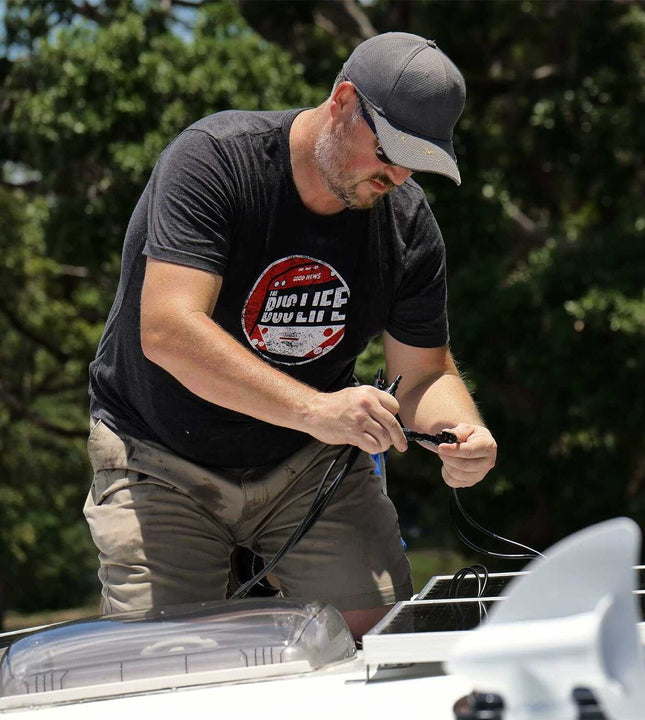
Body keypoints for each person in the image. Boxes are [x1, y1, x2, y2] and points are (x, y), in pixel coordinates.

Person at [84, 31, 497, 639]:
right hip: (161, 458)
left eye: (418, 160)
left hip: (308, 464)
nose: (398, 174)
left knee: (382, 639)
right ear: (343, 101)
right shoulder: (215, 161)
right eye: (390, 150)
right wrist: (316, 410)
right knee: (164, 665)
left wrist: (463, 431)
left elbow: (425, 373)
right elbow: (169, 330)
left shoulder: (407, 224)